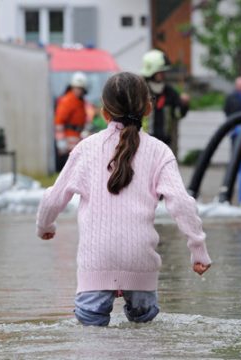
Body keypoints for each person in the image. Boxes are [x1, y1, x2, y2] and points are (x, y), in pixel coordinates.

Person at [36, 72, 212, 327]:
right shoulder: (159, 151)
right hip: (141, 261)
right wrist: (198, 250)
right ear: (148, 108)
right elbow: (182, 203)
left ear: (104, 112)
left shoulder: (85, 149)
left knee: (91, 335)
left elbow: (53, 198)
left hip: (96, 262)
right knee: (144, 331)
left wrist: (45, 226)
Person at [141, 49, 189, 158]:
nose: (163, 74)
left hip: (165, 144)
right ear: (152, 72)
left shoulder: (169, 92)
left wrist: (184, 105)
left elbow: (178, 115)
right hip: (144, 145)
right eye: (160, 71)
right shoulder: (140, 91)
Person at [54, 71, 88, 171]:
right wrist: (61, 142)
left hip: (77, 136)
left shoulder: (80, 101)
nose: (79, 91)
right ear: (72, 87)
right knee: (69, 168)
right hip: (68, 138)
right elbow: (59, 122)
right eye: (77, 88)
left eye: (81, 88)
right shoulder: (67, 100)